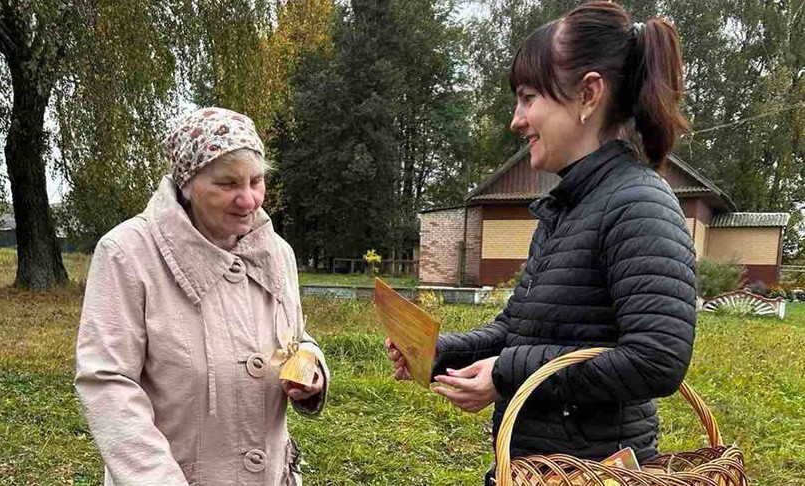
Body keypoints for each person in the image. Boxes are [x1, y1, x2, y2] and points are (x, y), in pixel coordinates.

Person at [386, 2, 696, 483]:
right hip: (536, 468)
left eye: (529, 97)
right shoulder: (568, 207)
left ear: (589, 95)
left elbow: (657, 360)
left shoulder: (638, 204)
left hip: (594, 473)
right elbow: (519, 330)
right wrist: (438, 351)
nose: (517, 119)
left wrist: (507, 372)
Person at [75, 107, 328, 486]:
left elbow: (296, 338)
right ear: (187, 185)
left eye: (256, 181)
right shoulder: (127, 253)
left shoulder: (277, 252)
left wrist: (310, 369)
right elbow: (108, 381)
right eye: (227, 184)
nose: (249, 200)